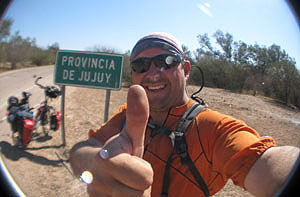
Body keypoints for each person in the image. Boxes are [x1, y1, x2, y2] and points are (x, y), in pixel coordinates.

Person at [69, 32, 300, 197]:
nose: (152, 72)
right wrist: (96, 162)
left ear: (186, 69)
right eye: (140, 65)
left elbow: (268, 166)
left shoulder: (213, 128)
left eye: (165, 61)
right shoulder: (130, 115)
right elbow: (81, 148)